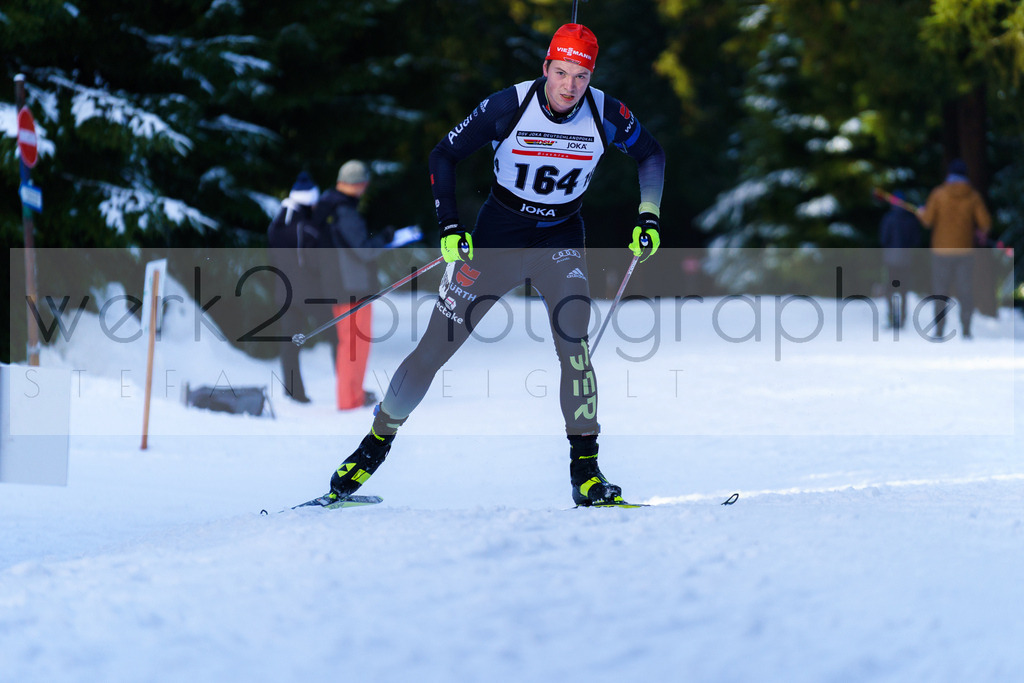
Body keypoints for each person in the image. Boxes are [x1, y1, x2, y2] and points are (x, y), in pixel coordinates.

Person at [324, 23, 665, 506]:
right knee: (435, 348)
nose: (569, 86)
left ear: (591, 76)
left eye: (581, 76)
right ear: (546, 67)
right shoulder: (509, 105)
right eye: (561, 72)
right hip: (497, 236)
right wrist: (449, 226)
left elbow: (650, 153)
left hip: (561, 237)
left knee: (575, 346)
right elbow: (444, 153)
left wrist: (648, 216)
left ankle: (585, 474)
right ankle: (368, 453)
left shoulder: (606, 112)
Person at [314, 160, 421, 409]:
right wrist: (385, 237)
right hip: (351, 287)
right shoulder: (345, 212)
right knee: (355, 345)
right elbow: (364, 251)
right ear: (359, 184)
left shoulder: (329, 205)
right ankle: (350, 400)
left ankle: (351, 395)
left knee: (349, 344)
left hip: (338, 284)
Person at [917, 159, 991, 339]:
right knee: (965, 290)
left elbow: (927, 220)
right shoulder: (973, 196)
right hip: (965, 252)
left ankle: (940, 330)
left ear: (949, 175)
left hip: (941, 252)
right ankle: (966, 329)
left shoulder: (938, 194)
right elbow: (986, 223)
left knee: (940, 290)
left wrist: (921, 212)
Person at [267, 171, 321, 403]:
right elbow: (313, 262)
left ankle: (292, 391)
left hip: (283, 290)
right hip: (307, 293)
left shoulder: (278, 221)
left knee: (289, 343)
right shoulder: (304, 226)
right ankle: (348, 394)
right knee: (340, 336)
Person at [878, 190, 922, 329]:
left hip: (891, 259)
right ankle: (902, 319)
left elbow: (884, 238)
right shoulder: (910, 219)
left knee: (890, 290)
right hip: (906, 260)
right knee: (903, 290)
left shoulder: (888, 218)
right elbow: (916, 240)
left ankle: (892, 317)